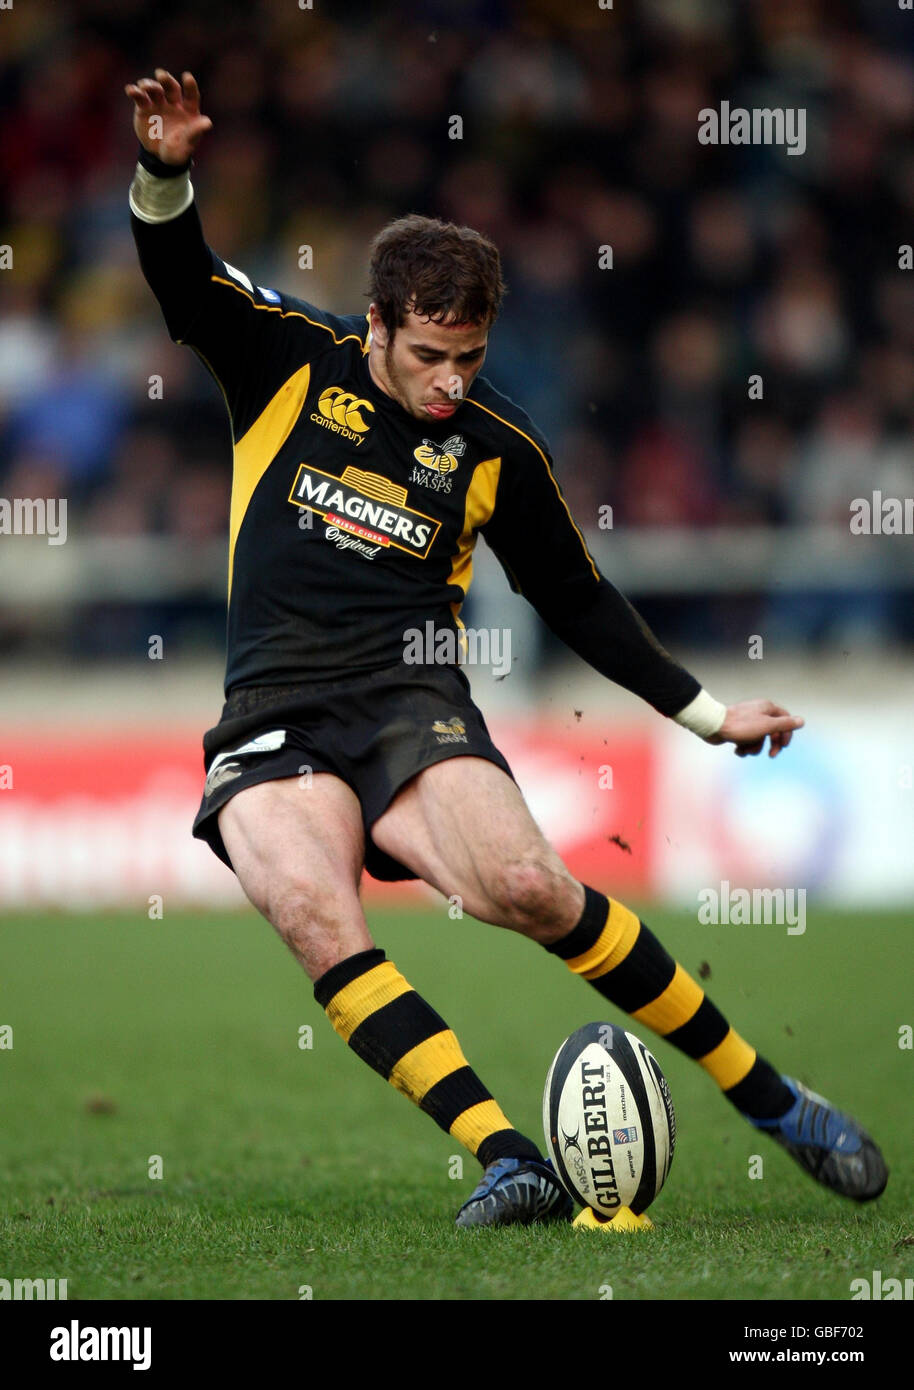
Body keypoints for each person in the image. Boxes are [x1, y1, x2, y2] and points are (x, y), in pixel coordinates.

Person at [125, 69, 887, 1227]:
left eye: (467, 358)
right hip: (269, 708)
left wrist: (706, 714)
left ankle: (769, 1096)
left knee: (531, 885)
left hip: (404, 699)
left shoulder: (496, 449)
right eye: (427, 353)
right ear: (374, 323)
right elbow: (180, 275)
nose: (447, 382)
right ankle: (502, 1154)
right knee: (315, 914)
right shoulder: (284, 358)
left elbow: (576, 599)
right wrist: (167, 171)